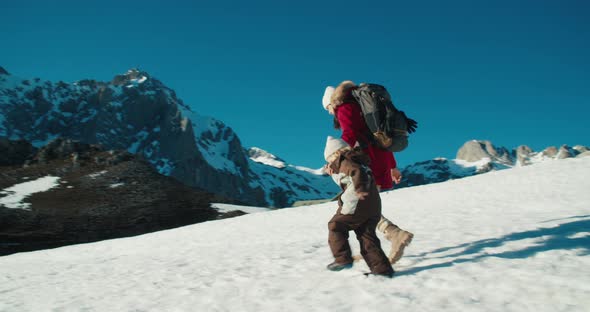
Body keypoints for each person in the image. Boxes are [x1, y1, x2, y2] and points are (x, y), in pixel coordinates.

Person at [322, 81, 413, 264]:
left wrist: (336, 159)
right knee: (365, 206)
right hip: (379, 159)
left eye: (329, 108)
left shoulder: (344, 108)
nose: (331, 112)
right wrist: (392, 166)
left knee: (362, 206)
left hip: (366, 162)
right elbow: (380, 138)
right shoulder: (361, 107)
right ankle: (383, 242)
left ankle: (395, 235)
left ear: (332, 102)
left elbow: (350, 134)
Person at [323, 136, 394, 277]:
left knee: (335, 225)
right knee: (366, 237)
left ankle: (342, 259)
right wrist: (333, 173)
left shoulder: (346, 161)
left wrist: (360, 189)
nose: (329, 163)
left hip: (357, 202)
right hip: (373, 206)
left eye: (329, 160)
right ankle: (382, 271)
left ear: (335, 154)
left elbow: (356, 173)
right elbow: (348, 178)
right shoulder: (356, 160)